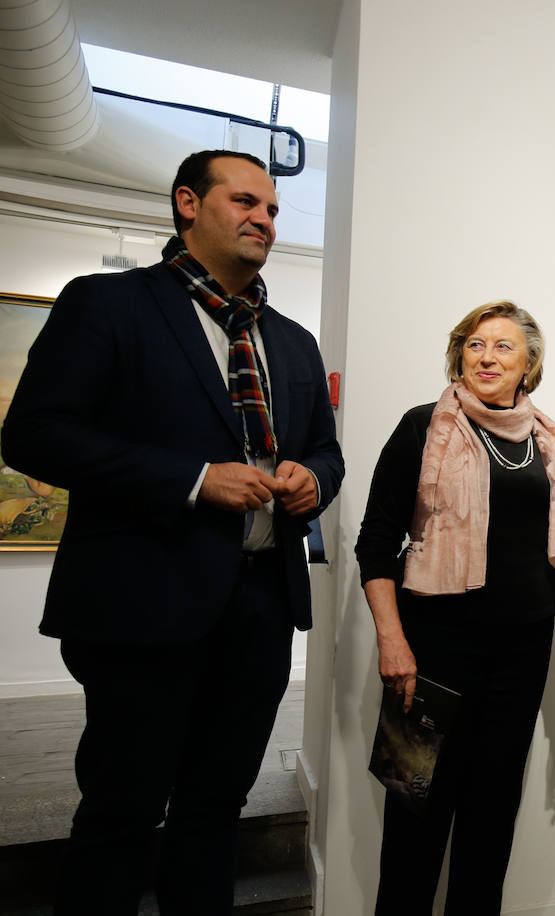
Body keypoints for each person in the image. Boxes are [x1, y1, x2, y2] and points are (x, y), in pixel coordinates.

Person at [1, 149, 344, 913]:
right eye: (246, 201)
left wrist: (311, 480)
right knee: (122, 813)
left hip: (258, 608)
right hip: (141, 604)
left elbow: (326, 450)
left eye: (275, 209)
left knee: (216, 808)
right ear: (188, 203)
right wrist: (195, 478)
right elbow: (34, 436)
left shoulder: (290, 340)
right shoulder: (107, 304)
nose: (265, 218)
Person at [356, 300, 555, 914]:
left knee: (492, 817)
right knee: (415, 814)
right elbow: (376, 541)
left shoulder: (548, 443)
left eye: (503, 347)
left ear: (529, 364)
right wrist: (391, 638)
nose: (487, 357)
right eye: (475, 345)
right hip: (432, 651)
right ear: (459, 356)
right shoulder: (421, 427)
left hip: (518, 656)